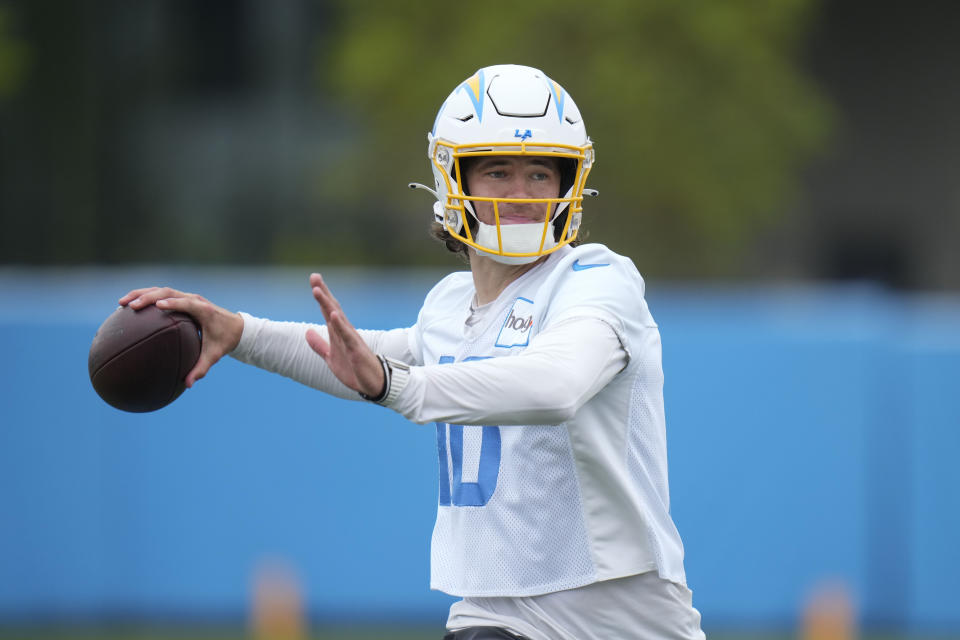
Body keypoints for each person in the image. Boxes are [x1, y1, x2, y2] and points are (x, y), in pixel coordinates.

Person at [120, 64, 706, 640]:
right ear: (455, 180)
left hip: (619, 619)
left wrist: (395, 387)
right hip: (497, 613)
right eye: (498, 171)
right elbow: (362, 359)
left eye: (540, 174)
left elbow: (556, 385)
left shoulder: (597, 280)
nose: (522, 194)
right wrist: (240, 332)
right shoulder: (451, 307)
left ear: (569, 184)